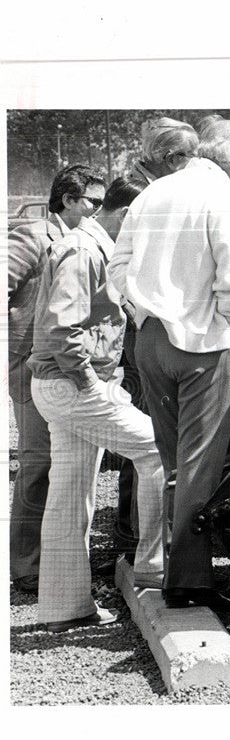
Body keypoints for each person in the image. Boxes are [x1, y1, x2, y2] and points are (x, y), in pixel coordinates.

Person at [109, 117, 230, 615]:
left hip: (151, 339)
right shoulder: (223, 194)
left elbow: (117, 264)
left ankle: (174, 569)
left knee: (175, 464)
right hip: (202, 342)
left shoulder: (152, 194)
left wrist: (140, 311)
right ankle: (189, 580)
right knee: (198, 468)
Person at [29, 178, 165, 631]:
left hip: (61, 384)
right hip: (73, 385)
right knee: (157, 450)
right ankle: (152, 566)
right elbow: (63, 326)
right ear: (127, 215)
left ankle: (65, 608)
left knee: (69, 497)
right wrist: (91, 383)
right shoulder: (86, 250)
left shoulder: (87, 246)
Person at [8, 163, 106, 595]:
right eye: (93, 203)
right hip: (32, 365)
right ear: (68, 200)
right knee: (38, 464)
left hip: (61, 366)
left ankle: (56, 562)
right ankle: (27, 565)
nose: (99, 213)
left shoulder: (84, 239)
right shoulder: (32, 236)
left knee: (65, 466)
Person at [109, 117, 198, 577]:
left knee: (155, 438)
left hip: (156, 330)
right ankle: (134, 537)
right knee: (146, 440)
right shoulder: (141, 192)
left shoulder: (153, 187)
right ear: (170, 158)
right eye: (188, 158)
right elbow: (122, 264)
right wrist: (142, 311)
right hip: (147, 332)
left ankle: (143, 536)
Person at [125, 116, 199, 188]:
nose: (196, 163)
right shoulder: (134, 191)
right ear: (171, 160)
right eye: (192, 157)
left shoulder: (156, 187)